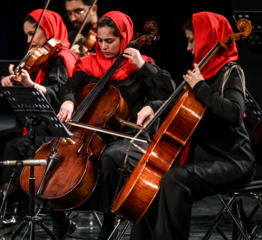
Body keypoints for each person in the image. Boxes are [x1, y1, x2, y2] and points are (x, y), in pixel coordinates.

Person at [129, 11, 255, 240]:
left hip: (233, 160)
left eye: (191, 40)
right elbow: (179, 103)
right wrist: (154, 107)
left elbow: (234, 113)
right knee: (153, 182)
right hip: (206, 158)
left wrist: (201, 87)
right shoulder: (202, 72)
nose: (188, 48)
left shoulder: (231, 71)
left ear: (209, 36)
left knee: (176, 180)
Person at [57, 11, 175, 240]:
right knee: (58, 158)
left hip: (130, 137)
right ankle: (60, 215)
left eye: (109, 41)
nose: (102, 46)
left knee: (111, 157)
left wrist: (141, 64)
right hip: (93, 135)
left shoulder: (140, 65)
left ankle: (109, 219)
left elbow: (169, 92)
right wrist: (69, 100)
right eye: (99, 40)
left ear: (124, 38)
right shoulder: (90, 63)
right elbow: (69, 86)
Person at [0, 8, 77, 237]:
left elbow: (60, 96)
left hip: (57, 127)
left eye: (32, 34)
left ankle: (12, 210)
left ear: (48, 30)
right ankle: (34, 211)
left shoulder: (63, 57)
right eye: (26, 35)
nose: (28, 40)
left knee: (15, 147)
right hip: (35, 123)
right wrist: (14, 84)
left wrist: (30, 85)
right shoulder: (40, 58)